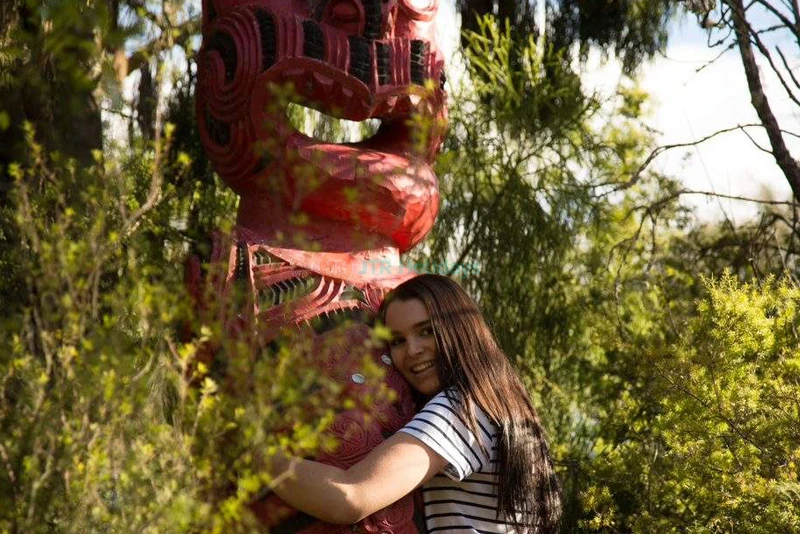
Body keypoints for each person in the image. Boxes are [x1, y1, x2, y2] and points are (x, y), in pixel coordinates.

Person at [263, 274, 562, 533]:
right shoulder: (497, 400)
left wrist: (253, 456)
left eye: (426, 331)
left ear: (461, 330)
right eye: (397, 341)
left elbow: (350, 497)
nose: (413, 350)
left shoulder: (460, 410)